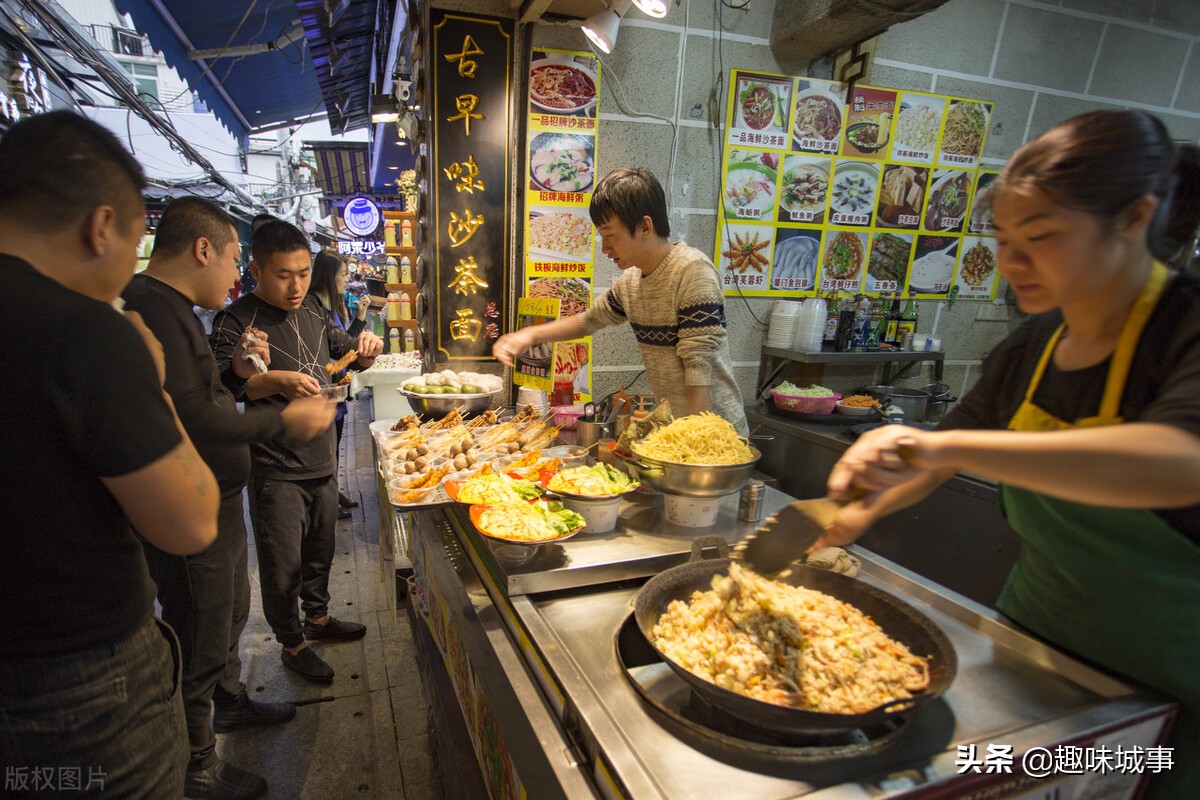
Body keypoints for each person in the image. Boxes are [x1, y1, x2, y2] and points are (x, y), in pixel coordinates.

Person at [813, 110, 1200, 799]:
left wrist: (937, 443)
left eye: (1041, 238)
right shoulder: (1035, 343)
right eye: (1002, 240)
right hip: (1033, 654)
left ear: (1134, 219)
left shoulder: (1184, 330)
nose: (1011, 264)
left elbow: (1175, 462)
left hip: (1167, 693)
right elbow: (933, 460)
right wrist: (858, 511)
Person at [0, 111, 218, 797]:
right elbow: (189, 523)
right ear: (101, 228)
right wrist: (151, 380)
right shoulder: (86, 328)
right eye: (134, 244)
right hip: (76, 691)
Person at [122, 198, 335, 800]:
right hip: (192, 505)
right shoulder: (153, 310)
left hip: (216, 495)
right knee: (200, 626)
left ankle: (230, 700)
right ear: (203, 250)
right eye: (237, 259)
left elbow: (209, 394)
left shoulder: (172, 310)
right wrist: (280, 421)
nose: (237, 273)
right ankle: (197, 766)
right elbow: (191, 416)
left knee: (225, 616)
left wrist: (239, 372)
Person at [211, 221, 384, 684]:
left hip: (321, 458)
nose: (296, 286)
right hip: (275, 466)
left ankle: (319, 618)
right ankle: (291, 643)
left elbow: (345, 352)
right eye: (283, 275)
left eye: (304, 273)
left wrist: (367, 348)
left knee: (320, 550)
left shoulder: (310, 308)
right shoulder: (235, 321)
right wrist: (270, 380)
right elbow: (223, 387)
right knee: (281, 563)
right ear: (256, 271)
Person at [494, 168, 748, 433]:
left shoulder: (692, 271)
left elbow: (698, 367)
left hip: (716, 435)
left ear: (645, 226)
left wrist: (694, 439)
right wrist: (530, 335)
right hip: (678, 433)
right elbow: (587, 321)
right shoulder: (630, 283)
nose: (605, 248)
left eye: (610, 235)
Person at [309, 249, 371, 517]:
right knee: (325, 450)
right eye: (343, 274)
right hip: (323, 390)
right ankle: (327, 502)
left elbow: (343, 344)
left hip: (337, 390)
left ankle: (334, 493)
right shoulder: (312, 308)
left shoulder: (333, 307)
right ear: (328, 275)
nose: (346, 279)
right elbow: (337, 354)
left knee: (334, 447)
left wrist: (360, 317)